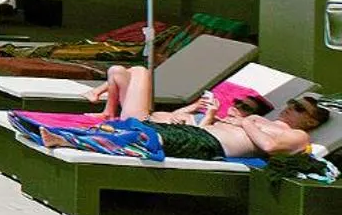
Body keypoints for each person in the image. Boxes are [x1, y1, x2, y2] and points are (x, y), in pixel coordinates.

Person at [28, 65, 330, 161]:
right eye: (291, 102)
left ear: (311, 121)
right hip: (197, 133)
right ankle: (76, 137)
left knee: (146, 137)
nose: (290, 107)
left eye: (299, 108)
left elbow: (268, 147)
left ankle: (69, 141)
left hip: (209, 145)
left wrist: (246, 122)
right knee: (136, 131)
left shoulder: (297, 135)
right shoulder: (261, 120)